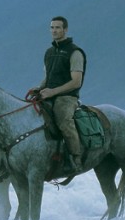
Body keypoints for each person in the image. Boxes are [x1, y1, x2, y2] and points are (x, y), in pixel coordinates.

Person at [28, 16, 86, 173]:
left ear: (65, 30)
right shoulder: (49, 52)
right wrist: (39, 88)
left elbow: (76, 82)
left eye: (58, 28)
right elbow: (49, 77)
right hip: (48, 94)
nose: (54, 30)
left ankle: (76, 158)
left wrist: (52, 91)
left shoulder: (75, 53)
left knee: (63, 120)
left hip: (68, 97)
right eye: (52, 27)